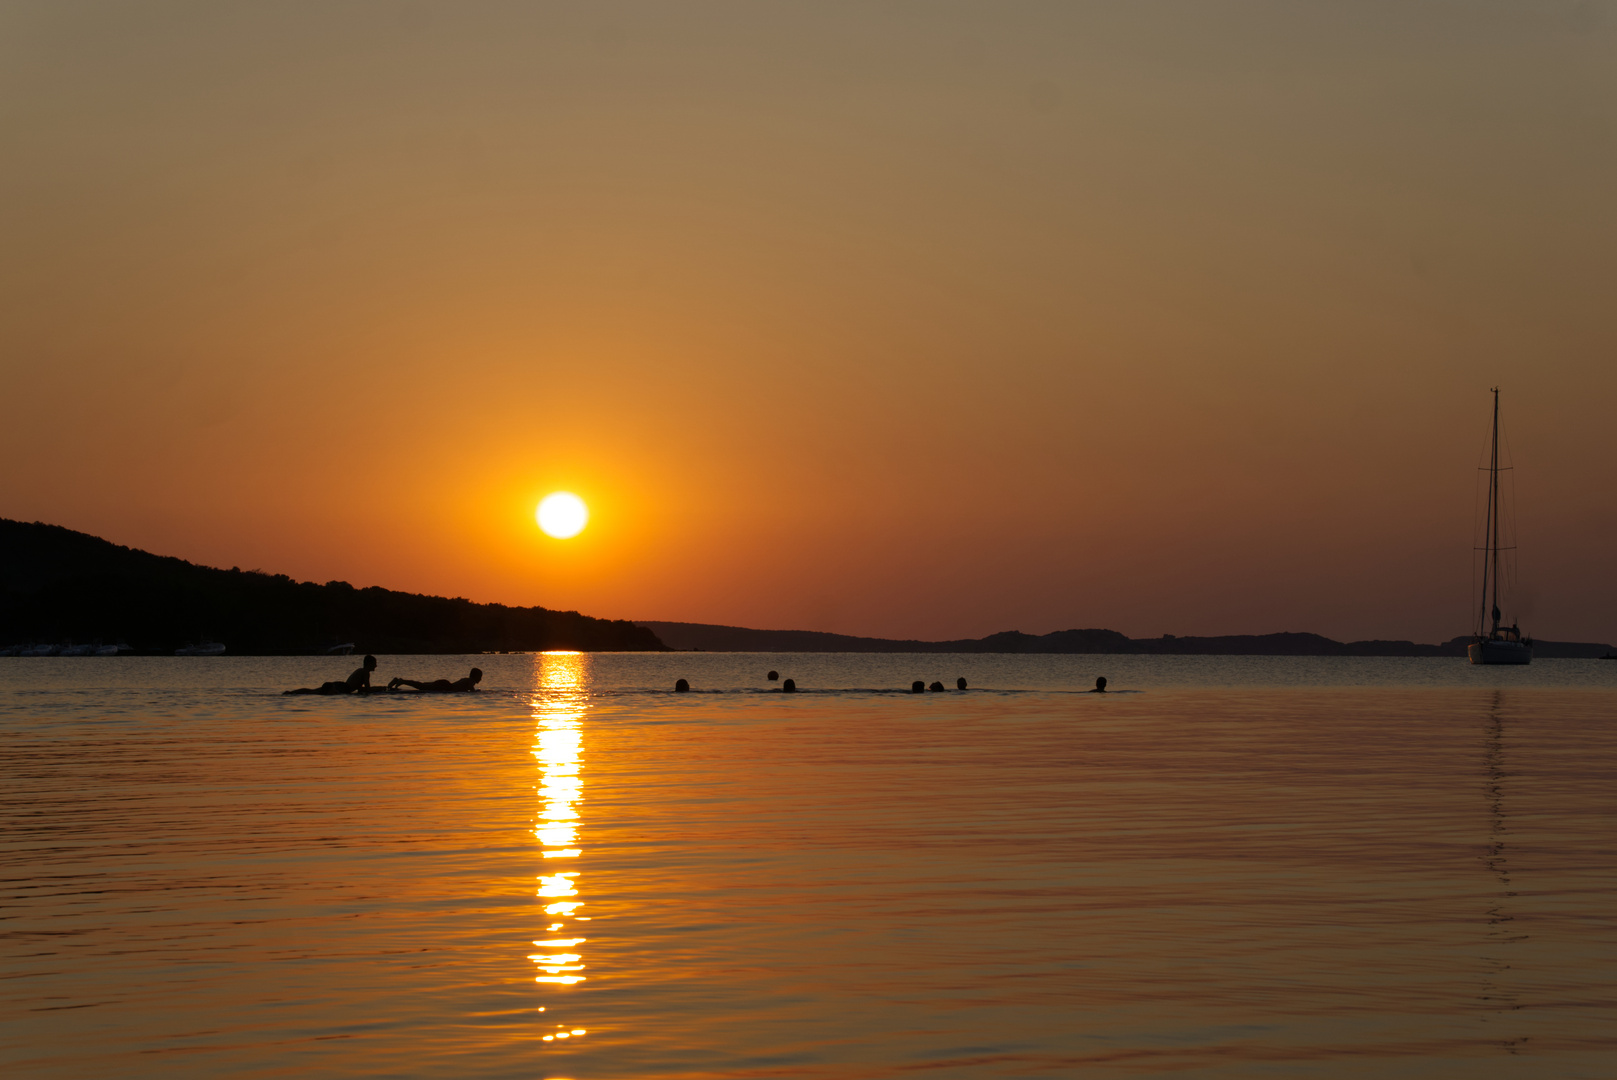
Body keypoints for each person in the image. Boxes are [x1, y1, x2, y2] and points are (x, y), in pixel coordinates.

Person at [284, 655, 378, 695]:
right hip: (343, 688)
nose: (376, 666)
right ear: (369, 664)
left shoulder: (361, 670)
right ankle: (292, 693)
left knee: (314, 691)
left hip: (342, 685)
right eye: (374, 663)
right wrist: (379, 689)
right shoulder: (365, 672)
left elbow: (360, 688)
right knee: (315, 692)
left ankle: (292, 693)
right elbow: (368, 690)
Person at [388, 667, 483, 693]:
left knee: (422, 685)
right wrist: (477, 692)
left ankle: (400, 681)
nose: (481, 679)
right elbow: (471, 690)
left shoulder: (467, 679)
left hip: (445, 684)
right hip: (445, 686)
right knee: (422, 686)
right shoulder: (471, 681)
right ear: (476, 676)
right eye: (480, 676)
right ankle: (402, 681)